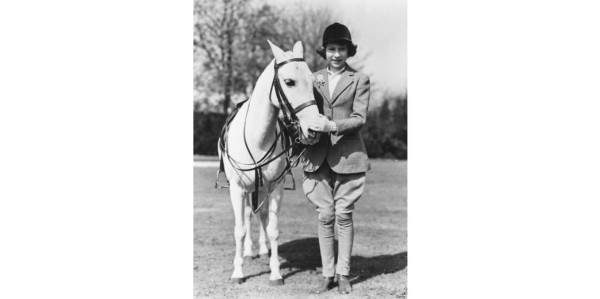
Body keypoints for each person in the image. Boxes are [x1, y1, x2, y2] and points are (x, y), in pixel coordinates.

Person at [302, 22, 371, 295]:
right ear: (324, 51)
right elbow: (303, 113)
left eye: (341, 48)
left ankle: (343, 274)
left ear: (348, 51)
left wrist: (332, 126)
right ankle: (327, 274)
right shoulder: (313, 78)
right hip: (317, 156)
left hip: (348, 155)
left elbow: (359, 118)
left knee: (343, 215)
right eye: (332, 48)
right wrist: (305, 132)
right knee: (324, 216)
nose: (336, 54)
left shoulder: (360, 79)